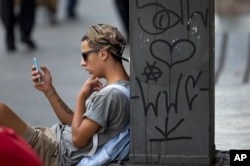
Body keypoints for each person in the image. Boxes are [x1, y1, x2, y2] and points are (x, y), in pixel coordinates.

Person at [0, 24, 130, 166]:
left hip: (55, 151)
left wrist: (81, 97)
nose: (82, 63)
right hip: (54, 141)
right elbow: (74, 123)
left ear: (103, 54)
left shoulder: (110, 96)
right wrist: (49, 90)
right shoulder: (121, 89)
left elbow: (77, 138)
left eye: (85, 56)